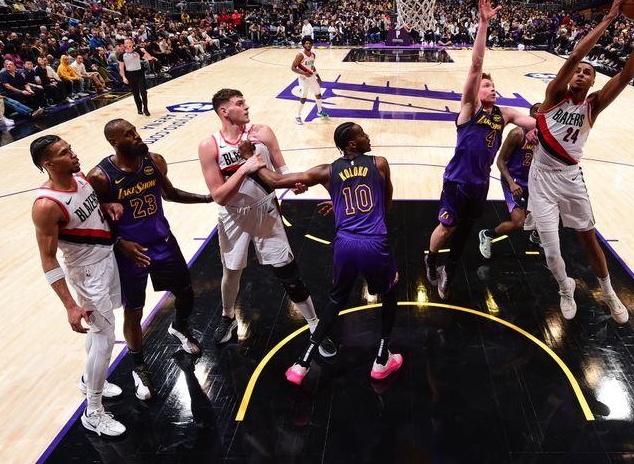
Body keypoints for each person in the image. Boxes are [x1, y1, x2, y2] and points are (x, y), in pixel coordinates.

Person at [530, 0, 634, 324]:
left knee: (588, 239)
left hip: (570, 178)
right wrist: (610, 17)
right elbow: (574, 56)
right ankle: (564, 286)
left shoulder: (594, 105)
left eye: (588, 73)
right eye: (578, 70)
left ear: (591, 83)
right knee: (551, 247)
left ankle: (609, 291)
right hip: (541, 179)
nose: (581, 73)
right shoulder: (553, 96)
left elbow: (628, 74)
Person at [239, 122, 401, 385]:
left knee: (336, 301)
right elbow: (384, 204)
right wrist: (353, 208)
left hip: (345, 244)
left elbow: (277, 181)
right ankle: (383, 359)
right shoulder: (380, 163)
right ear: (351, 144)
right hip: (373, 243)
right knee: (390, 290)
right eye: (361, 134)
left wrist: (250, 159)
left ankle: (302, 363)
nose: (366, 136)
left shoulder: (326, 171)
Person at [197, 89, 336, 357]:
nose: (247, 106)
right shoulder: (209, 146)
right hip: (234, 217)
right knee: (232, 273)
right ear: (224, 111)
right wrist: (245, 167)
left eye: (245, 100)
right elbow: (219, 196)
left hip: (267, 211)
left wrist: (295, 183)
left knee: (289, 273)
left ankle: (315, 325)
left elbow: (282, 169)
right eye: (240, 103)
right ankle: (228, 318)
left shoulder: (263, 132)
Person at [424, 0, 538, 300]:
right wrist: (483, 24)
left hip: (479, 184)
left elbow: (536, 121)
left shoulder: (505, 114)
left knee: (464, 231)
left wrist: (547, 126)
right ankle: (432, 259)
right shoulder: (469, 110)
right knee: (446, 228)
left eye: (493, 85)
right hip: (456, 181)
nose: (491, 88)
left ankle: (450, 268)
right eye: (487, 85)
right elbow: (476, 66)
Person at [87, 119, 208, 401]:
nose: (137, 136)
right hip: (132, 252)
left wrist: (207, 197)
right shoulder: (100, 177)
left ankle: (179, 325)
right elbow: (97, 221)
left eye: (135, 131)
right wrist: (120, 243)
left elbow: (171, 193)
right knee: (134, 311)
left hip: (163, 242)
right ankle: (138, 365)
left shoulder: (153, 161)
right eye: (128, 135)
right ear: (115, 142)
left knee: (186, 293)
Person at [30, 135, 126, 437]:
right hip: (86, 274)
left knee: (102, 331)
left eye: (71, 148)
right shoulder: (46, 205)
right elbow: (47, 259)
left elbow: (92, 208)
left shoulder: (79, 177)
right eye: (64, 153)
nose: (73, 154)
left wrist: (107, 203)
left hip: (107, 259)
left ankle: (88, 380)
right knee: (105, 338)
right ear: (49, 164)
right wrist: (70, 305)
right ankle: (93, 411)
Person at [478, 103, 541, 258]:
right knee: (519, 222)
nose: (539, 115)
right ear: (530, 115)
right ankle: (488, 234)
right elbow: (500, 161)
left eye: (543, 112)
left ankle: (536, 236)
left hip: (533, 181)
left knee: (548, 211)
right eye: (536, 112)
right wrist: (512, 183)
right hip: (513, 180)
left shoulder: (545, 136)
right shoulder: (517, 134)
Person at [291, 37, 329, 125]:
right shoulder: (300, 55)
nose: (308, 45)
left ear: (312, 44)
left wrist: (318, 77)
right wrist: (304, 73)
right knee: (303, 97)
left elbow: (312, 67)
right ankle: (297, 116)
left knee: (318, 94)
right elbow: (293, 68)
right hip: (303, 79)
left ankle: (320, 111)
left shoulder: (313, 55)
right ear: (304, 44)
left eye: (309, 43)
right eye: (306, 43)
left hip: (312, 77)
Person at [118, 39, 155, 116]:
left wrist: (144, 51)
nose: (129, 44)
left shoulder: (138, 52)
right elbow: (121, 68)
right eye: (127, 43)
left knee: (143, 92)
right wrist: (124, 77)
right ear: (124, 45)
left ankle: (146, 109)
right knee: (135, 93)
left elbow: (149, 58)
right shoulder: (122, 55)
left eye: (130, 42)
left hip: (139, 73)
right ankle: (139, 108)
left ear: (132, 44)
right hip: (130, 75)